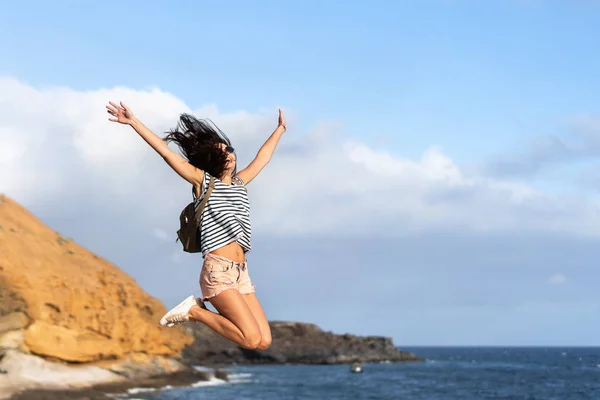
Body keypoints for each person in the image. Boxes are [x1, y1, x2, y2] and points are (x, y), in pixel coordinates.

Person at [106, 100, 287, 351]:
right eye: (222, 153)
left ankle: (196, 310)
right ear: (212, 159)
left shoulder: (239, 183)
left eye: (230, 150)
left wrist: (280, 130)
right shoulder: (203, 182)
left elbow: (263, 158)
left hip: (241, 272)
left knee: (263, 341)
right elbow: (167, 153)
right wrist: (134, 122)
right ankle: (194, 311)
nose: (229, 156)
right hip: (218, 272)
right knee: (249, 338)